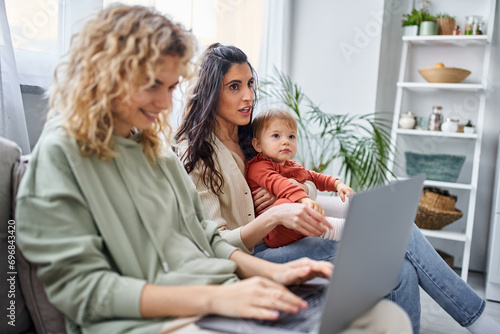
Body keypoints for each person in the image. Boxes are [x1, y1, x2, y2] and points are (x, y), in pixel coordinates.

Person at [14, 5, 412, 334]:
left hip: (220, 292)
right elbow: (84, 291)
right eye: (153, 84)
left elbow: (208, 237)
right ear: (107, 72)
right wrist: (219, 297)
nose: (164, 103)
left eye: (171, 88)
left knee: (382, 317)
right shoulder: (62, 153)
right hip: (158, 321)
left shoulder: (156, 152)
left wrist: (272, 275)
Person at [176, 42, 500, 334]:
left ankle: (463, 320)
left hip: (287, 238)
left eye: (249, 84)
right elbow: (212, 244)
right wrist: (274, 216)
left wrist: (285, 195)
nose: (248, 95)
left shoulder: (250, 136)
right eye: (234, 87)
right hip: (254, 258)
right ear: (210, 92)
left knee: (399, 263)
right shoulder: (198, 153)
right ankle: (477, 319)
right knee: (397, 237)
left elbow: (306, 188)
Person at [246, 108, 349, 247]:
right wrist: (303, 198)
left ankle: (330, 229)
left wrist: (337, 184)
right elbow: (280, 184)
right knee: (283, 206)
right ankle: (329, 229)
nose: (286, 142)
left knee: (295, 203)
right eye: (276, 136)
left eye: (291, 136)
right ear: (258, 145)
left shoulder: (292, 166)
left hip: (292, 226)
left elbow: (313, 176)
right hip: (273, 231)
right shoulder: (258, 167)